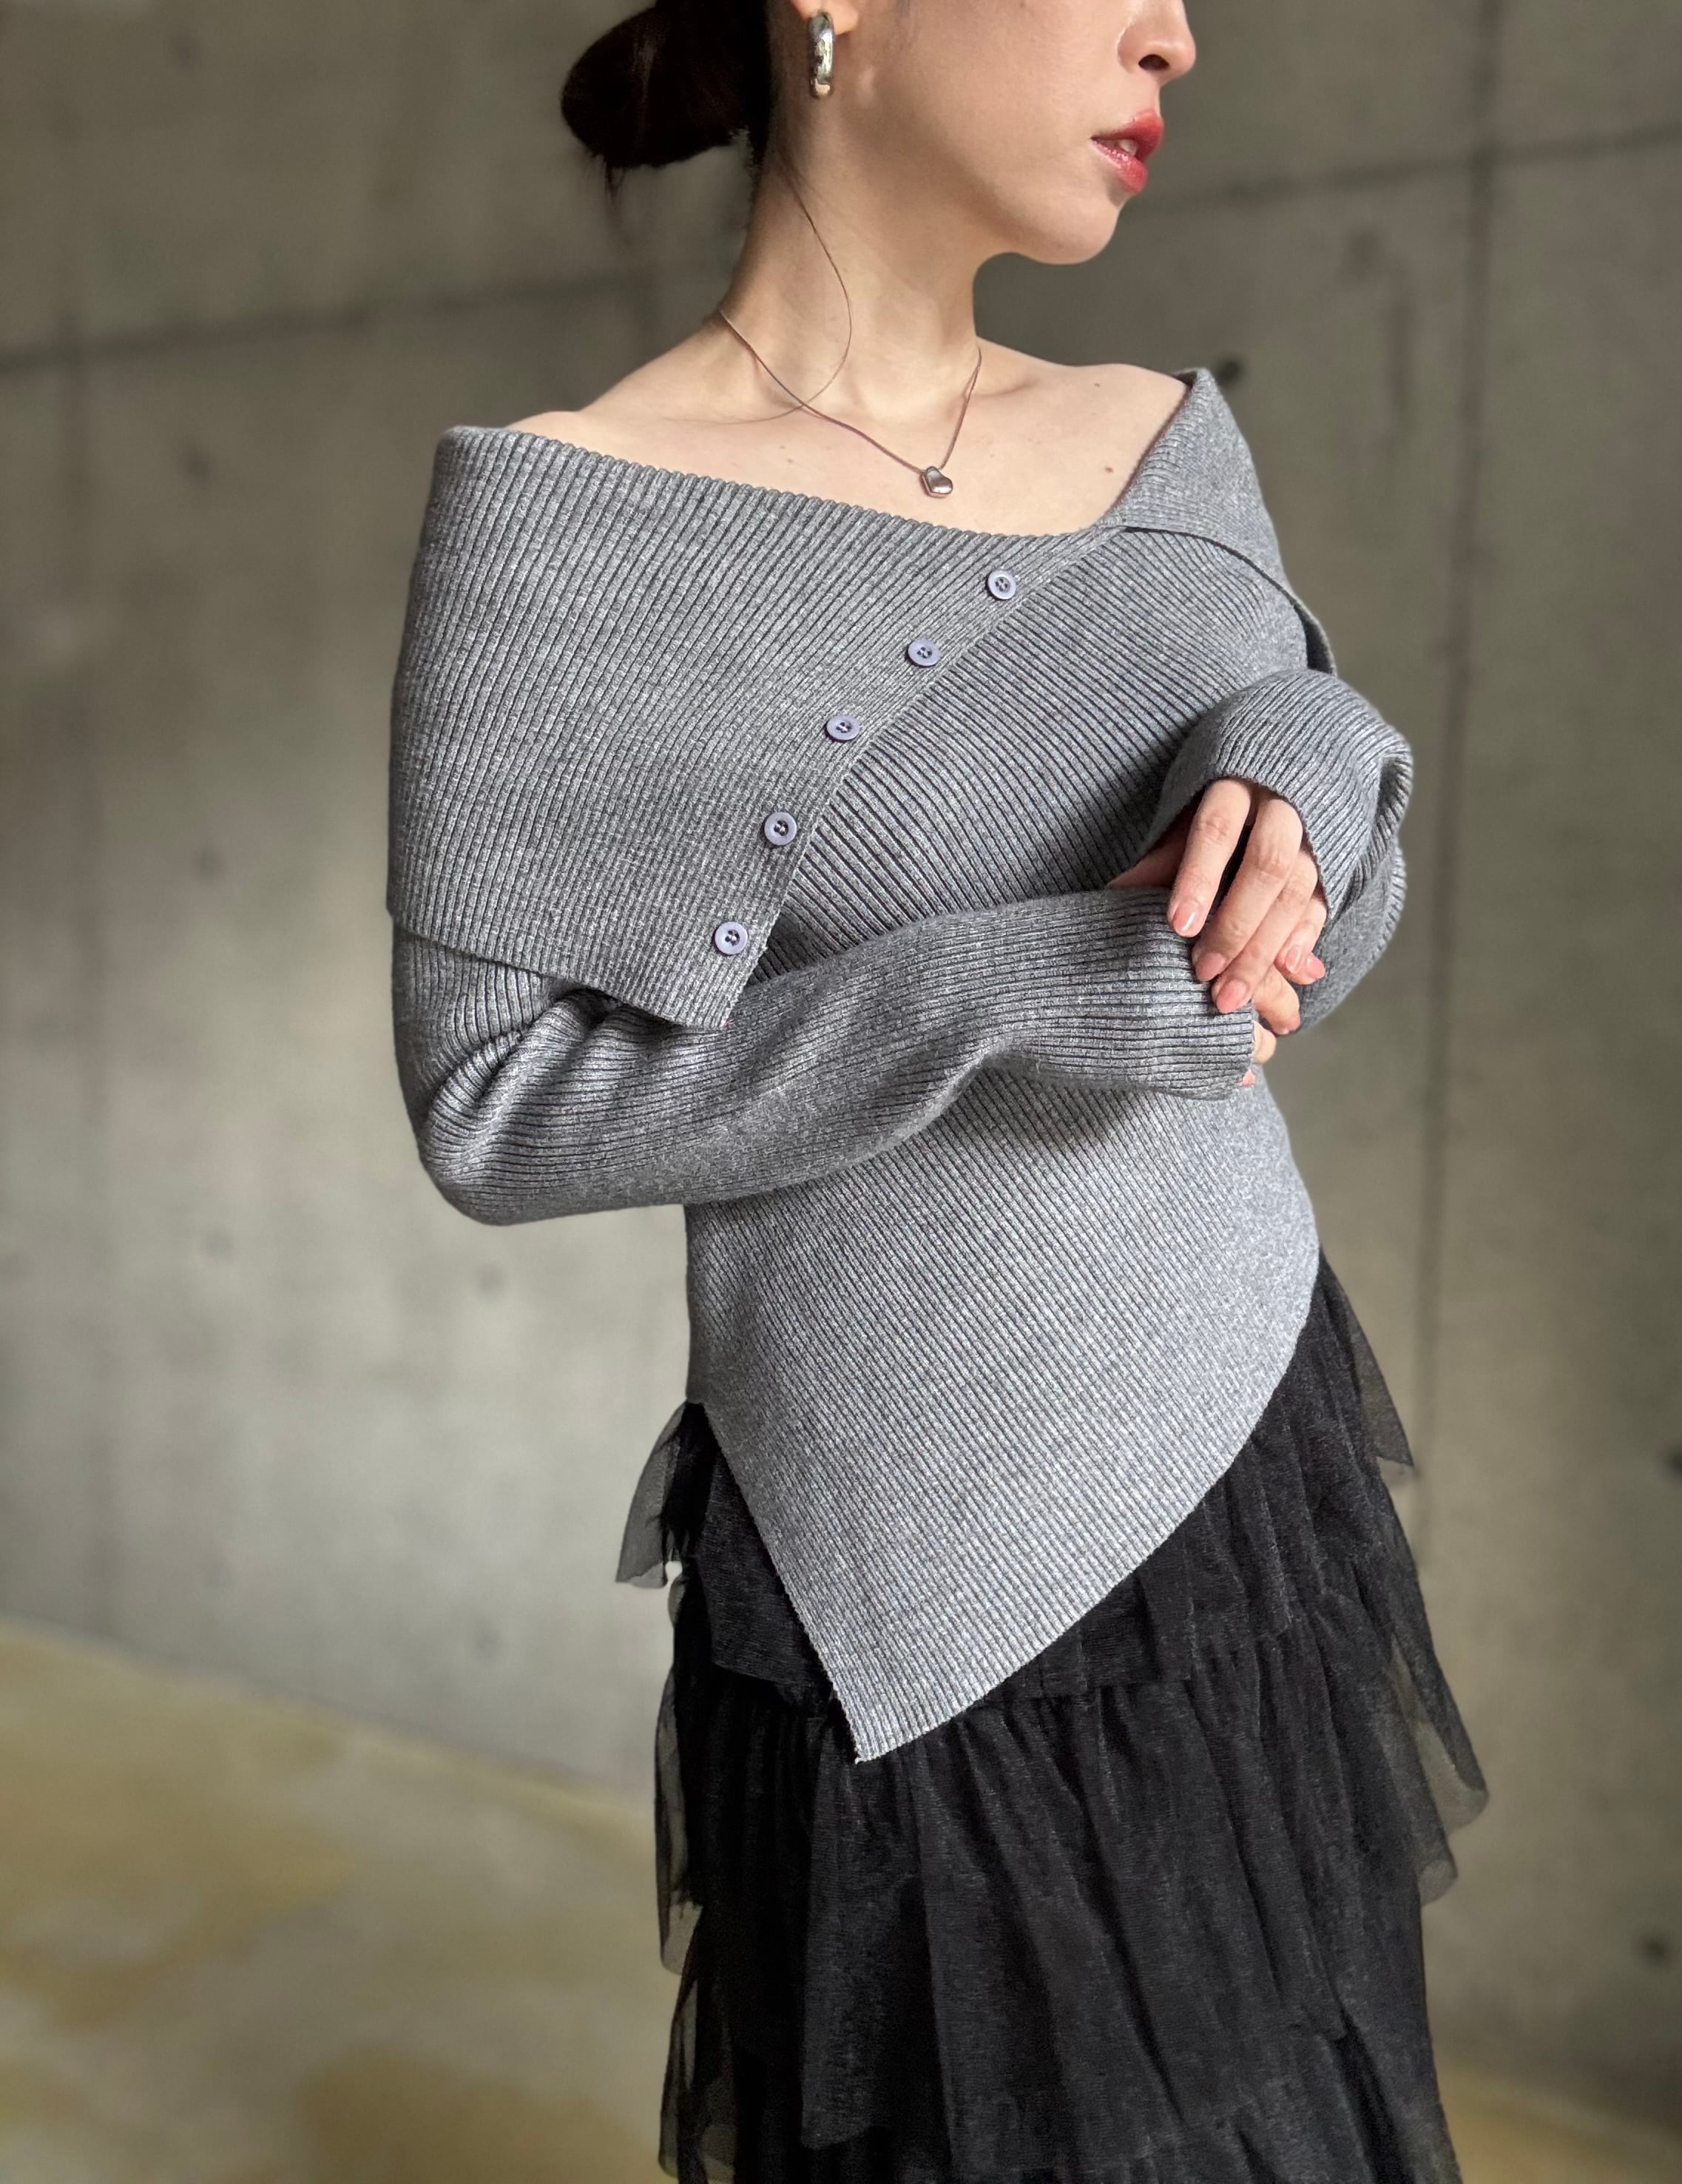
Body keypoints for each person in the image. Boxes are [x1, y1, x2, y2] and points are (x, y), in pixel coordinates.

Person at [384, 0, 1490, 2176]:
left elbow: (1298, 924)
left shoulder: (1166, 434)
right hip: (911, 1565)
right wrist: (1004, 989)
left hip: (1242, 1444)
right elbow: (495, 1106)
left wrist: (1307, 756)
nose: (1175, 36)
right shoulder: (565, 522)